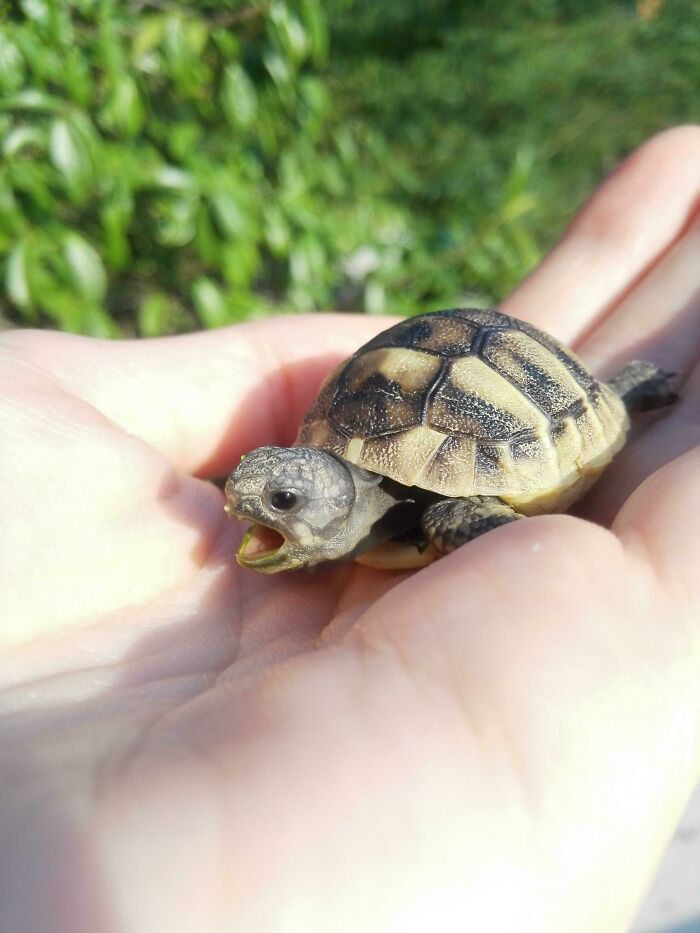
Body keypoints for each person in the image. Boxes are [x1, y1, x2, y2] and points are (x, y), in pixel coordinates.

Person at [0, 126, 699, 933]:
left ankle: (624, 391)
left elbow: (491, 531)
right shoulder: (330, 485)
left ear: (331, 506)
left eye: (282, 502)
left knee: (459, 514)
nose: (247, 506)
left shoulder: (444, 509)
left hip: (506, 381)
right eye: (259, 493)